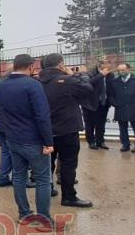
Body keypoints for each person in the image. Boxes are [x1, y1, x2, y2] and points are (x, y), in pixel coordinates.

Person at [0, 54, 63, 233]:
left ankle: (24, 214)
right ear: (31, 67)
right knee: (43, 179)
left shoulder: (2, 86)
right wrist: (48, 141)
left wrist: (5, 136)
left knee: (18, 176)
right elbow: (42, 115)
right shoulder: (33, 85)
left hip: (13, 139)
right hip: (33, 140)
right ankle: (44, 219)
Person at [38, 53, 105, 208]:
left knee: (48, 163)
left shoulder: (37, 82)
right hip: (67, 129)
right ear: (61, 64)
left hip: (46, 131)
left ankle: (48, 189)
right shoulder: (67, 81)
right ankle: (69, 196)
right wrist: (78, 75)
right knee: (68, 164)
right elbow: (87, 89)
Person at [108, 63, 135, 153]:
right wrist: (114, 103)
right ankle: (125, 145)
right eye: (119, 70)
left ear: (129, 69)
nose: (121, 72)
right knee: (123, 128)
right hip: (120, 108)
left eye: (123, 70)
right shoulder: (114, 82)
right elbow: (110, 94)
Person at [82, 58, 113, 150]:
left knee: (101, 124)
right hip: (90, 104)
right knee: (90, 124)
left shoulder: (111, 75)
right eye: (108, 63)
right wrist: (101, 75)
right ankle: (91, 142)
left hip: (104, 104)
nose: (110, 65)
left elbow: (110, 88)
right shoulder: (90, 73)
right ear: (101, 65)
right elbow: (88, 84)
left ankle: (100, 141)